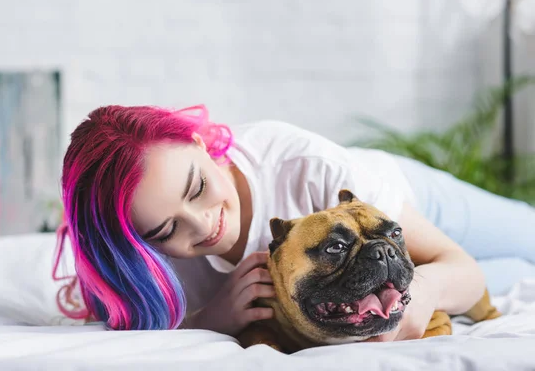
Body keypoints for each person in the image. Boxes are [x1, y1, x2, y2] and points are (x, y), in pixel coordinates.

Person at [53, 104, 535, 341]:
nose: (202, 226)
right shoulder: (147, 273)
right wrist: (208, 322)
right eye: (164, 232)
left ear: (200, 146)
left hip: (403, 194)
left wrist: (425, 292)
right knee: (518, 274)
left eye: (198, 187)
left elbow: (459, 266)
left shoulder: (307, 167)